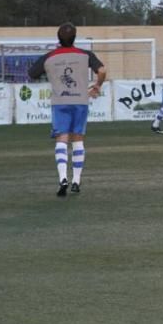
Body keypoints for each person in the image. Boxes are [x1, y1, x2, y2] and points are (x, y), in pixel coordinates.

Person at [28, 22, 106, 197]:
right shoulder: (85, 55)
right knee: (78, 139)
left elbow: (32, 73)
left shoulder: (49, 56)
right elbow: (102, 70)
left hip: (60, 101)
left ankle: (63, 178)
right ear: (75, 38)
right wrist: (97, 86)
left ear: (58, 38)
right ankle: (76, 181)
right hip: (80, 101)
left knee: (61, 139)